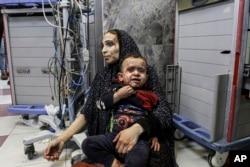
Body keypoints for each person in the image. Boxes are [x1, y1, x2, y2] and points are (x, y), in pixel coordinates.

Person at [43, 29, 176, 167]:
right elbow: (89, 111)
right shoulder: (102, 76)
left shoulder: (145, 72)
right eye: (103, 46)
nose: (104, 51)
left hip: (142, 136)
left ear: (124, 45)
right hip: (111, 138)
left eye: (109, 44)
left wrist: (137, 129)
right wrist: (62, 139)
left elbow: (163, 111)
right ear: (120, 76)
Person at [82, 52, 161, 167]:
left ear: (146, 78)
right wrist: (117, 96)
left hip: (138, 140)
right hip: (113, 137)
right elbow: (100, 105)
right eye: (131, 70)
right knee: (87, 144)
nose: (136, 73)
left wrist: (154, 134)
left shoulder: (149, 96)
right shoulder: (116, 89)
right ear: (121, 76)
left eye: (141, 71)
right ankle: (114, 163)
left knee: (138, 160)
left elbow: (155, 117)